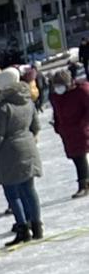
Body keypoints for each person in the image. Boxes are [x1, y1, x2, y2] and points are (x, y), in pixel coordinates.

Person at [0, 66, 45, 244]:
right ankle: (37, 226)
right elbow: (36, 126)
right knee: (29, 189)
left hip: (9, 153)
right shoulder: (27, 100)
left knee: (12, 193)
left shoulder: (2, 107)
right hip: (28, 148)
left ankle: (23, 229)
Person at [48, 68, 89, 196]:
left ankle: (84, 185)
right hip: (67, 131)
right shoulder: (55, 96)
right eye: (56, 86)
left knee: (80, 156)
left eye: (61, 85)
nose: (58, 89)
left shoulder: (81, 91)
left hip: (80, 129)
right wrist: (58, 126)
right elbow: (56, 112)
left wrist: (83, 123)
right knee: (76, 156)